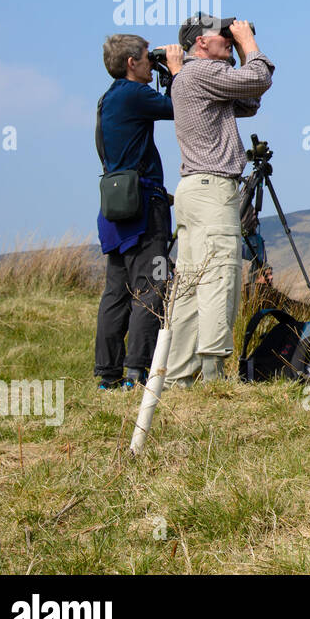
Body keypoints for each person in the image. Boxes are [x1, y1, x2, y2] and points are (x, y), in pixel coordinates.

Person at [166, 14, 275, 387]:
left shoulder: (191, 78)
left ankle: (178, 374)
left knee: (190, 284)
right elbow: (259, 78)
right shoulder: (201, 73)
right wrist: (248, 44)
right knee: (219, 279)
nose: (227, 38)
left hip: (194, 189)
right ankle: (213, 374)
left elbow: (250, 100)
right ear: (200, 43)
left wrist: (240, 55)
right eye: (222, 34)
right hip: (212, 191)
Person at [93, 35, 183, 389]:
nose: (151, 63)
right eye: (149, 58)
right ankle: (138, 371)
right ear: (131, 63)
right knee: (153, 284)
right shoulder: (133, 94)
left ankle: (107, 375)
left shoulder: (108, 99)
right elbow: (178, 107)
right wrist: (176, 71)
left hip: (116, 208)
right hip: (145, 208)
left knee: (116, 291)